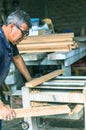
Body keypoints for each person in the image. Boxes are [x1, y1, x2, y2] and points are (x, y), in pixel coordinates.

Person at [0, 10, 32, 129]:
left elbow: (17, 59)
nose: (24, 38)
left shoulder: (9, 42)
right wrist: (1, 107)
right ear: (12, 26)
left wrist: (31, 82)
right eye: (24, 33)